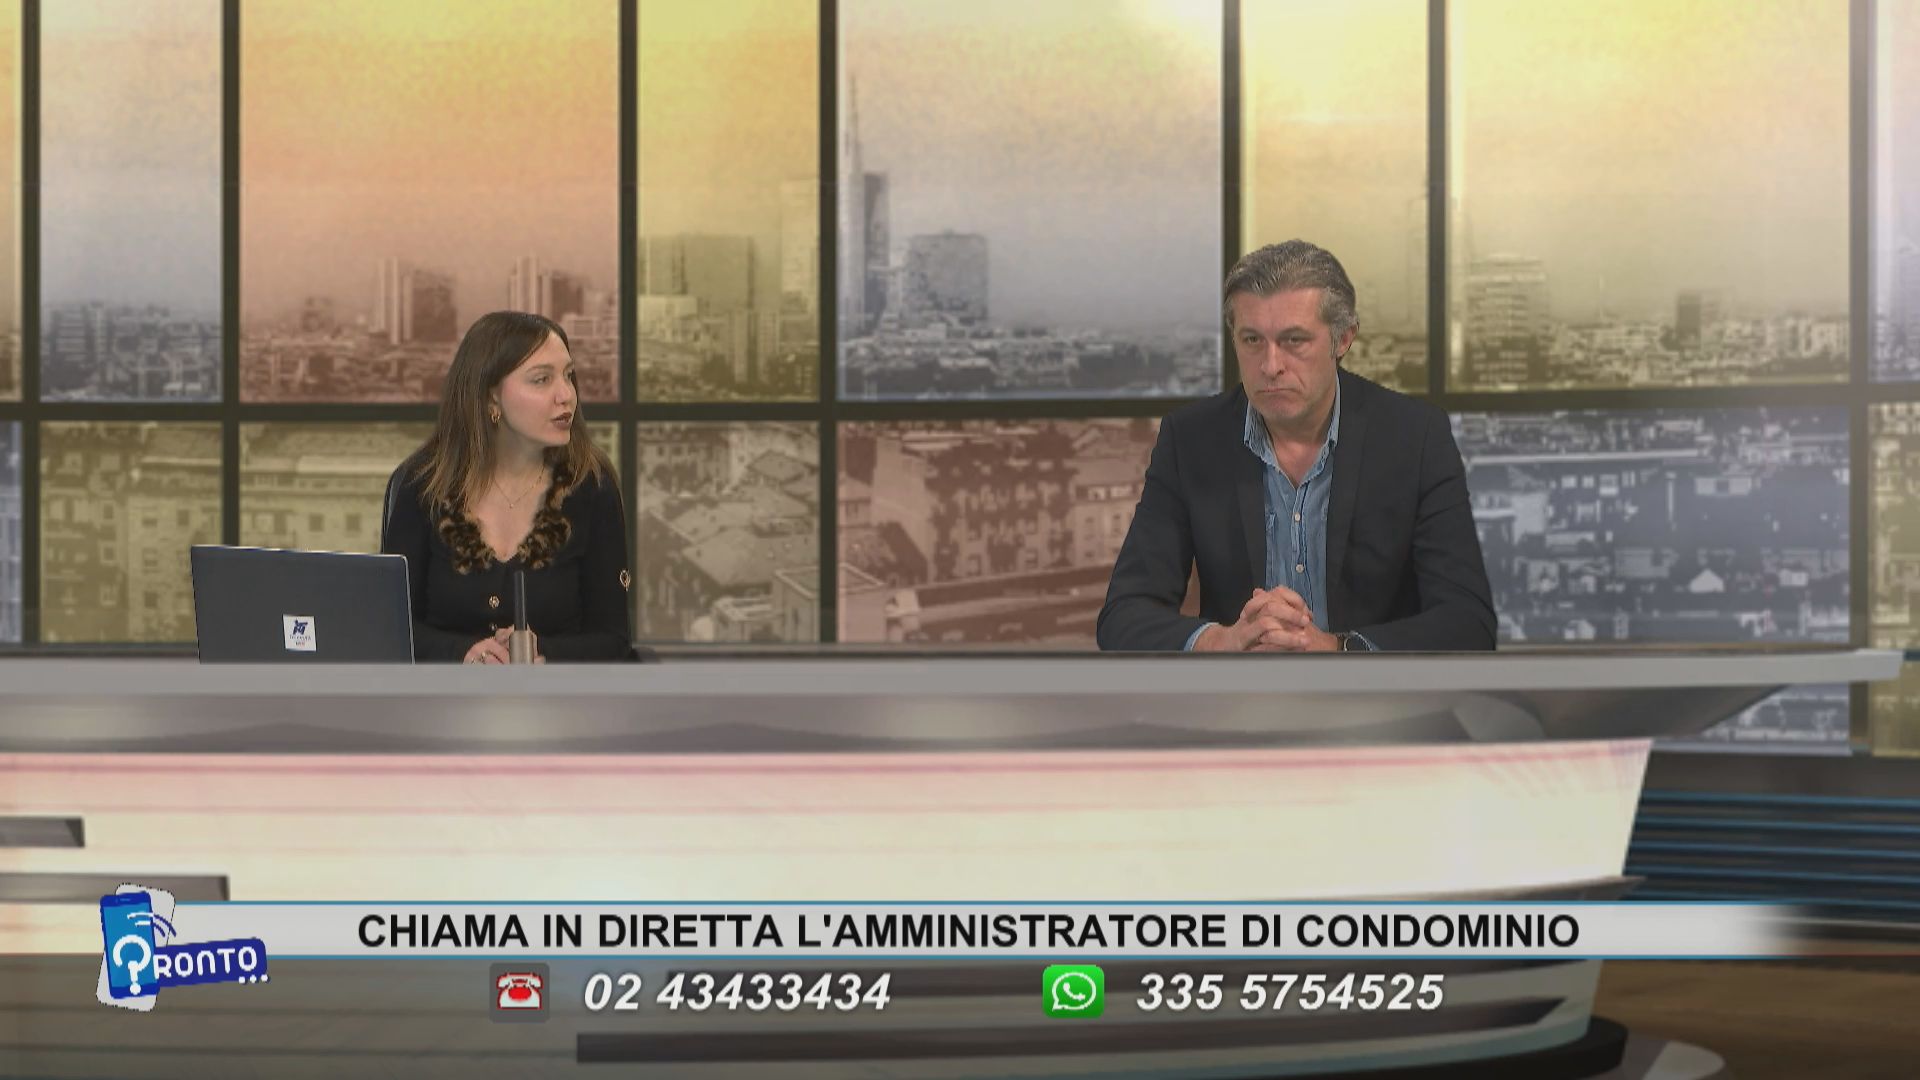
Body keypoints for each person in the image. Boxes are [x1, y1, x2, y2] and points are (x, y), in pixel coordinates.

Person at [1097, 240, 1495, 653]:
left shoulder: (1414, 437)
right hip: (1239, 691)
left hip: (1370, 691)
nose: (1271, 366)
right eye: (1252, 340)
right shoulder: (1191, 439)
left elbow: (1468, 622)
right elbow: (1124, 615)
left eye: (1294, 340)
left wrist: (1338, 650)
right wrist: (1222, 642)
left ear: (1343, 340)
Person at [381, 311, 635, 662]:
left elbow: (614, 640)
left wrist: (543, 655)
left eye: (569, 375)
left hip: (557, 695)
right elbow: (391, 629)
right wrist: (461, 653)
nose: (566, 396)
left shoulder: (592, 485)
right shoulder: (422, 485)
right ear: (491, 398)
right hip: (445, 693)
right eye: (542, 379)